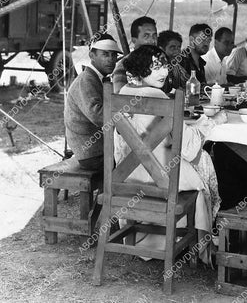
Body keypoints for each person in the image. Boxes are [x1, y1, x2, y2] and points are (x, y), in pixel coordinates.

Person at [116, 44, 227, 264]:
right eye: (155, 67)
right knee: (206, 162)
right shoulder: (160, 98)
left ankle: (149, 242)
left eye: (164, 66)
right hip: (163, 178)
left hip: (126, 176)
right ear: (139, 70)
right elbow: (188, 145)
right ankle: (202, 244)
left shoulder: (121, 94)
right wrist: (211, 121)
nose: (163, 72)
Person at [64, 34, 122, 170]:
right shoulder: (86, 80)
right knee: (136, 160)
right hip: (91, 154)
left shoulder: (98, 78)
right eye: (105, 54)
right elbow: (98, 116)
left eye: (114, 55)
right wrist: (127, 118)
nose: (111, 60)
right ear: (92, 55)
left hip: (98, 148)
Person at [112, 16, 157, 93]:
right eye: (146, 36)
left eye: (154, 36)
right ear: (134, 40)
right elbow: (119, 99)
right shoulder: (123, 67)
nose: (152, 41)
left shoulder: (160, 65)